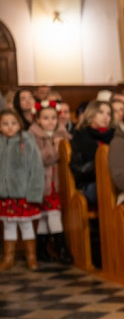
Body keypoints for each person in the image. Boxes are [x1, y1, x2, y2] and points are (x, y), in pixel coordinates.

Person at [28, 104, 73, 264]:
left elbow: (69, 150)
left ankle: (41, 249)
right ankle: (61, 248)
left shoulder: (61, 133)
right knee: (53, 213)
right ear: (38, 120)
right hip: (42, 182)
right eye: (45, 118)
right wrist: (55, 149)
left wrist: (63, 144)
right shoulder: (32, 136)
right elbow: (38, 158)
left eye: (53, 118)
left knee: (46, 216)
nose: (50, 122)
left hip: (58, 181)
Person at [0, 109, 44, 270]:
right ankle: (8, 257)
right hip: (4, 195)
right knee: (8, 226)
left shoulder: (27, 141)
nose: (10, 127)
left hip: (24, 193)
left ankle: (31, 257)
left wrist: (33, 191)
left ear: (19, 125)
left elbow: (36, 168)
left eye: (13, 123)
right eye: (5, 124)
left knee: (26, 225)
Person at [69, 99, 115, 208]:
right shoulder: (80, 136)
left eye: (109, 114)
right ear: (91, 113)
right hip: (89, 183)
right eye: (101, 112)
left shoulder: (115, 136)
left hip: (114, 180)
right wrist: (99, 164)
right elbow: (77, 168)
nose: (105, 117)